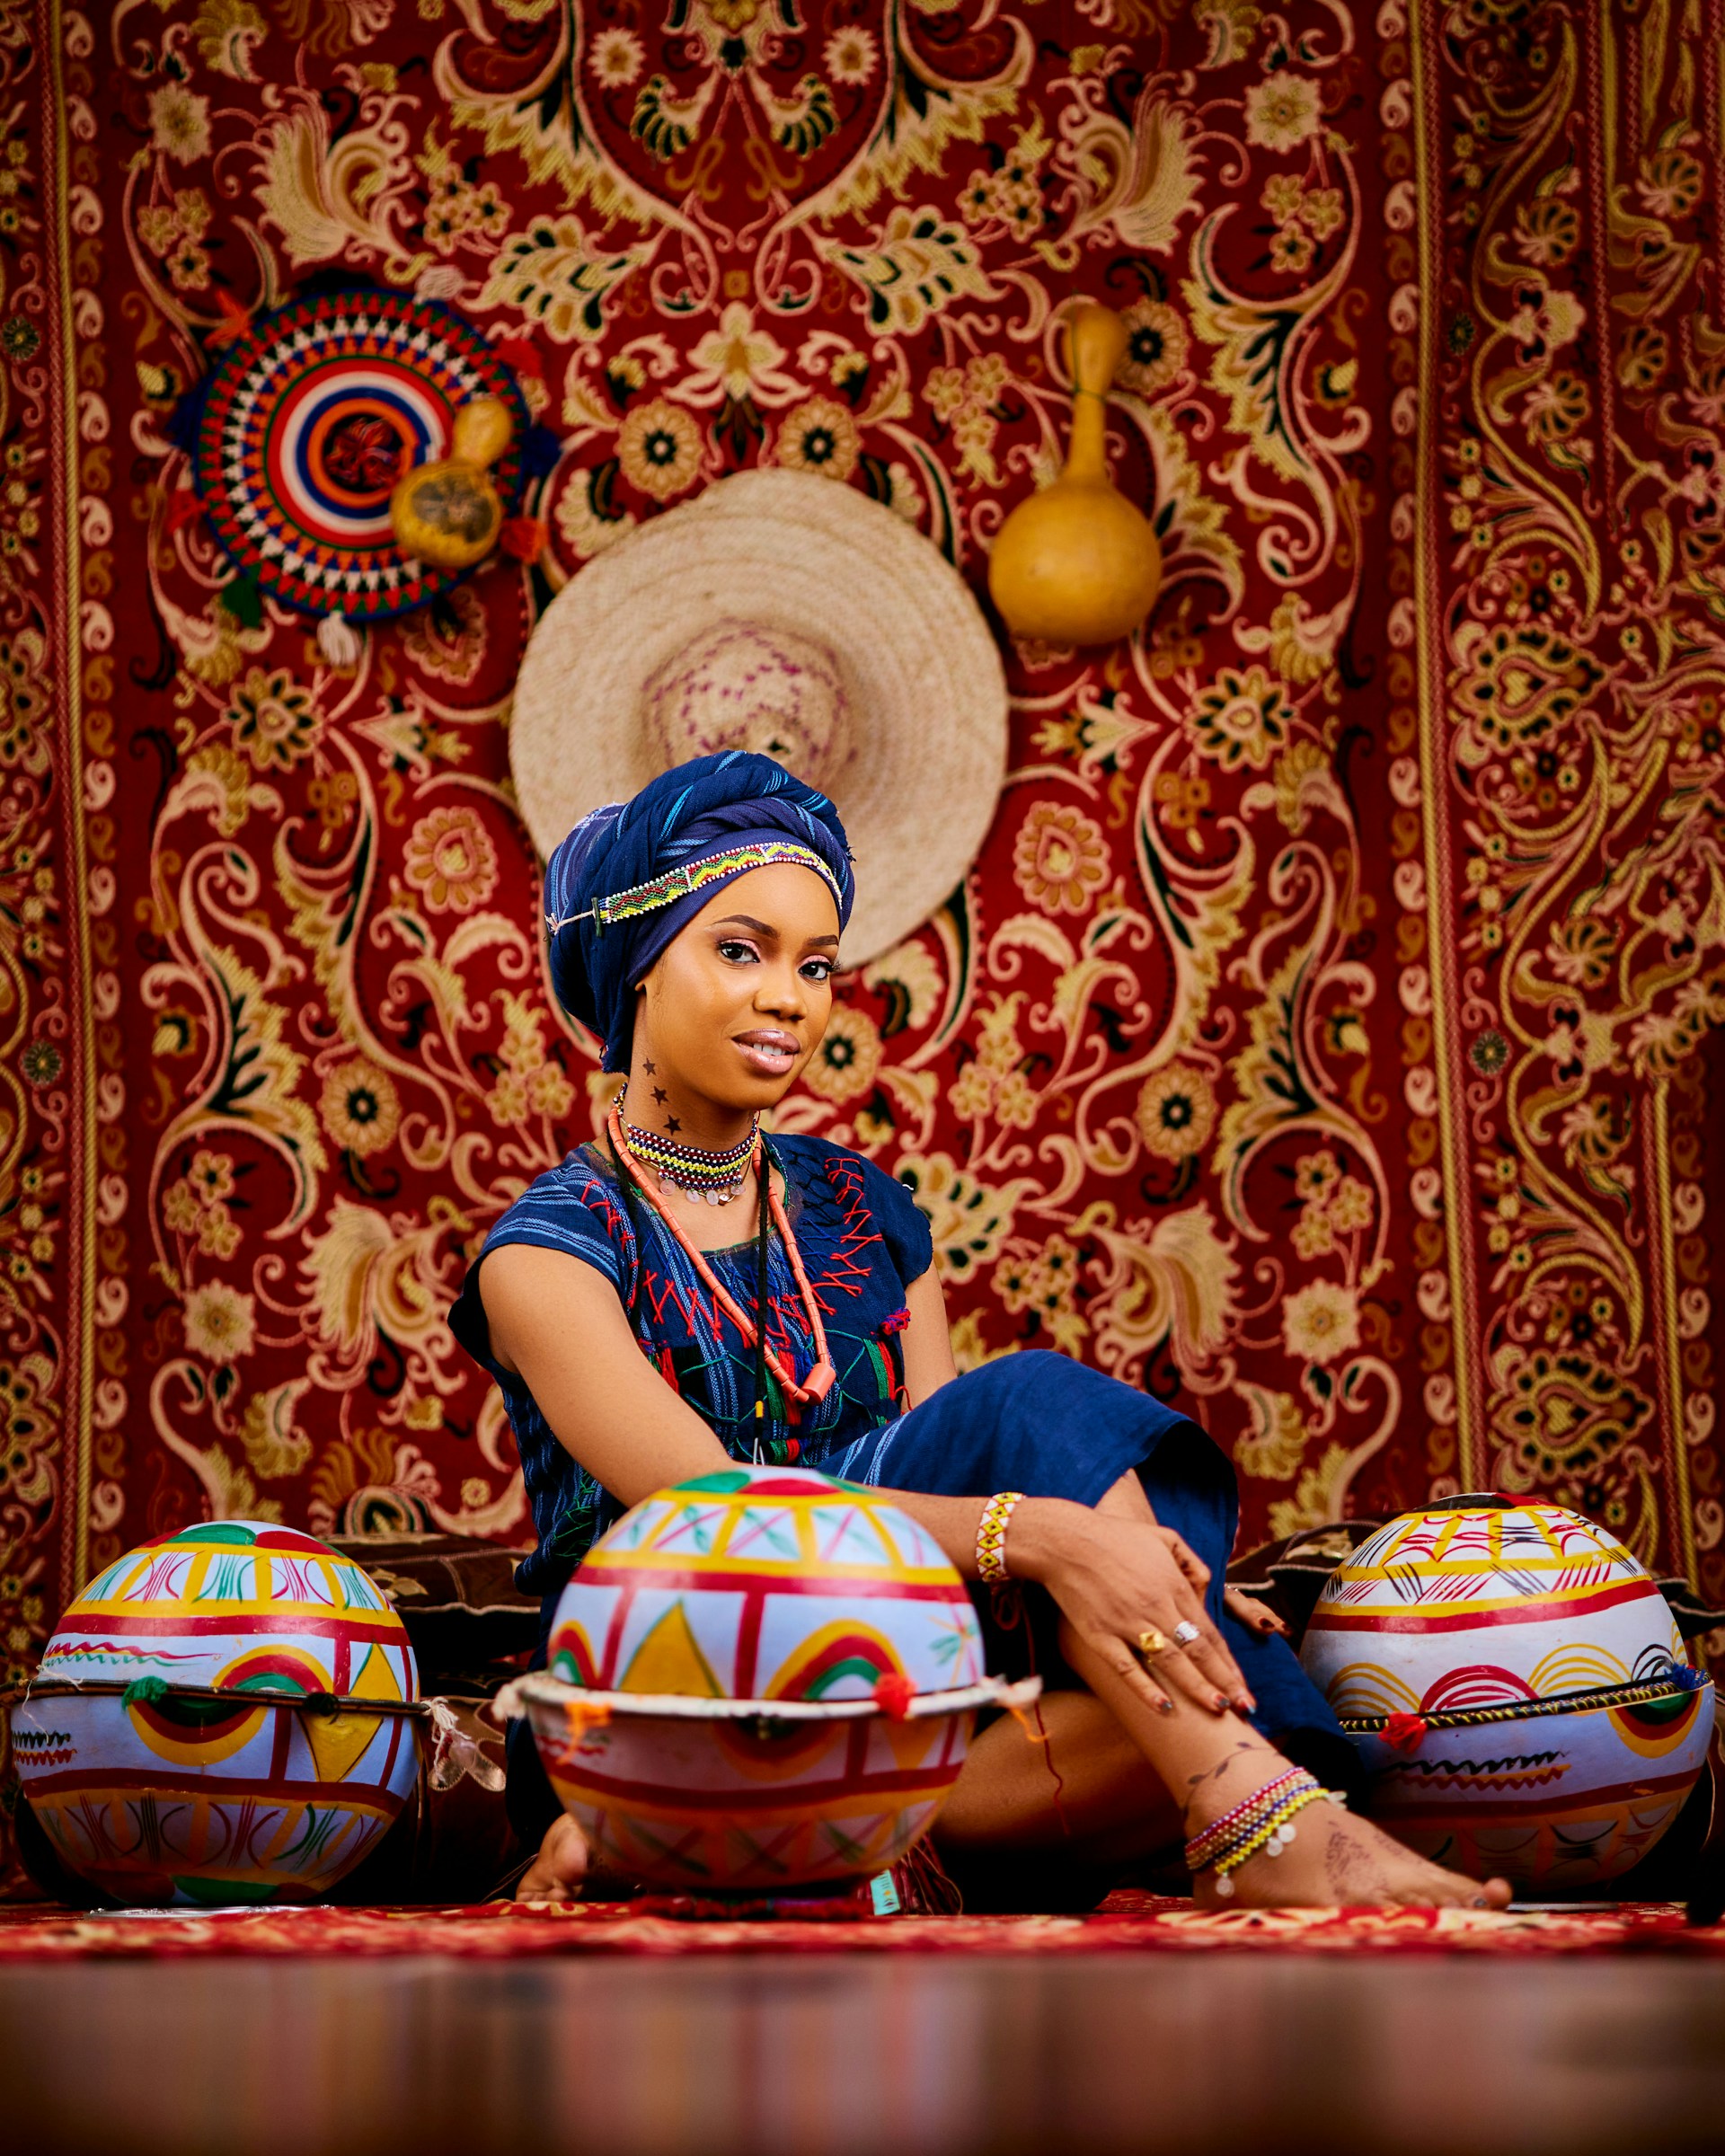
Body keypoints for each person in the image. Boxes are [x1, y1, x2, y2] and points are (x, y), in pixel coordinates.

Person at [450, 750, 1511, 1913]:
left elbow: (938, 1466)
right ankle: (707, 1845)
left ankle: (1216, 1809)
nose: (789, 998)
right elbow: (717, 1516)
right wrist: (1047, 1535)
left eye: (816, 964)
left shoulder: (865, 1212)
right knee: (1030, 1408)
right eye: (740, 950)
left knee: (1233, 1674)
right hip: (665, 1705)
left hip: (892, 1705)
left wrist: (1145, 1572)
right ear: (638, 967)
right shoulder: (549, 1252)